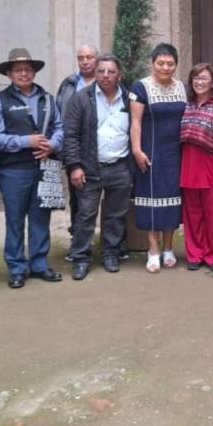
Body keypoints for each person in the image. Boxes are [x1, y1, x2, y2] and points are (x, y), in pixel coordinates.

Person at [0, 48, 65, 288]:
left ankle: (39, 264)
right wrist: (27, 142)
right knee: (14, 219)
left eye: (28, 69)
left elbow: (60, 128)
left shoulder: (47, 98)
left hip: (45, 167)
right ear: (10, 74)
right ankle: (16, 268)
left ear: (34, 72)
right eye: (18, 70)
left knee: (40, 217)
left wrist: (52, 145)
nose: (24, 73)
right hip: (14, 170)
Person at [63, 53, 133, 279]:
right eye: (101, 71)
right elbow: (70, 135)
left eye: (111, 71)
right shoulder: (81, 99)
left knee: (116, 215)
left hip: (120, 167)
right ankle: (81, 257)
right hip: (89, 167)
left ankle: (110, 254)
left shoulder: (129, 100)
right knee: (85, 215)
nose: (105, 75)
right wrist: (74, 166)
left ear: (119, 75)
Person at [130, 43, 186, 273]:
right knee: (151, 199)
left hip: (176, 153)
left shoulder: (181, 87)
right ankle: (153, 250)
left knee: (172, 199)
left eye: (170, 63)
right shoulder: (141, 87)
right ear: (152, 63)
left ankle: (168, 248)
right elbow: (135, 122)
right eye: (160, 63)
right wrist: (136, 150)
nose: (165, 67)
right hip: (150, 152)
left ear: (175, 65)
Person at [180, 63, 213, 271]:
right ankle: (195, 254)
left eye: (203, 78)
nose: (199, 82)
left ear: (212, 83)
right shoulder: (186, 105)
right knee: (192, 215)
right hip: (188, 168)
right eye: (195, 78)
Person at [56, 45, 100, 241]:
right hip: (75, 149)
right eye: (81, 57)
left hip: (102, 149)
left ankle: (114, 244)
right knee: (78, 199)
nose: (85, 61)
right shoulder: (69, 84)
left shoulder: (107, 81)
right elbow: (59, 115)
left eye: (89, 57)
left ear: (97, 59)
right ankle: (78, 241)